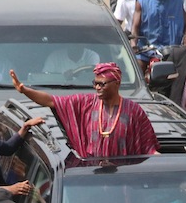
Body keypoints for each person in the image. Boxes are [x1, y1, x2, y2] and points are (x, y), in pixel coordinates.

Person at [10, 64, 159, 159]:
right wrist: (24, 90)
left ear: (117, 83)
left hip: (122, 182)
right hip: (90, 177)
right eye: (95, 83)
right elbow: (50, 101)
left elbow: (148, 148)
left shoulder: (134, 111)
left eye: (102, 84)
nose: (97, 87)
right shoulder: (86, 103)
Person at [132, 0, 186, 71]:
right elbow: (135, 26)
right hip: (146, 51)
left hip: (171, 52)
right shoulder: (142, 0)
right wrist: (133, 44)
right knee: (137, 68)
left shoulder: (178, 0)